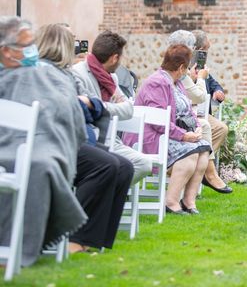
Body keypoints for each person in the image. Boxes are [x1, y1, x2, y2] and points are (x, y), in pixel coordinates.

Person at [35, 23, 134, 253]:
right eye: (71, 42)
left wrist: (93, 105)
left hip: (78, 136)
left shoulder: (67, 74)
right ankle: (72, 234)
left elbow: (88, 106)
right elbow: (72, 108)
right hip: (58, 141)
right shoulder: (54, 73)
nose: (76, 48)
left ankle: (92, 238)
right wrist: (91, 106)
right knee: (108, 165)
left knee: (124, 167)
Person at [0, 17, 87, 266]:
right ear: (6, 50)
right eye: (27, 45)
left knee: (40, 166)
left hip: (43, 145)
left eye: (33, 45)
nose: (33, 51)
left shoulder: (43, 76)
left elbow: (67, 114)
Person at [124, 44, 211, 215]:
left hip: (167, 135)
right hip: (148, 138)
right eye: (186, 68)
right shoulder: (157, 82)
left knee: (204, 150)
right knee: (191, 152)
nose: (187, 72)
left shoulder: (176, 83)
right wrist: (184, 136)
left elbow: (188, 111)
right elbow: (158, 122)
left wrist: (198, 128)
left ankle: (188, 201)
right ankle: (170, 201)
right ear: (180, 68)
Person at [72, 30, 152, 184]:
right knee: (114, 165)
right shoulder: (78, 73)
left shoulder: (111, 78)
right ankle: (101, 196)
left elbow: (128, 109)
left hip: (111, 138)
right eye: (121, 57)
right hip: (90, 138)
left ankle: (105, 194)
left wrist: (100, 106)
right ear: (115, 58)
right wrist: (103, 106)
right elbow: (88, 108)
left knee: (144, 164)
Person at [191, 29, 232, 194]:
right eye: (205, 50)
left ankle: (200, 164)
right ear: (197, 49)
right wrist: (196, 77)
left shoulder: (203, 68)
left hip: (202, 113)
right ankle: (207, 172)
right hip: (189, 111)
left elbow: (213, 82)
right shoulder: (185, 66)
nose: (206, 53)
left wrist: (218, 92)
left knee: (221, 128)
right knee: (208, 127)